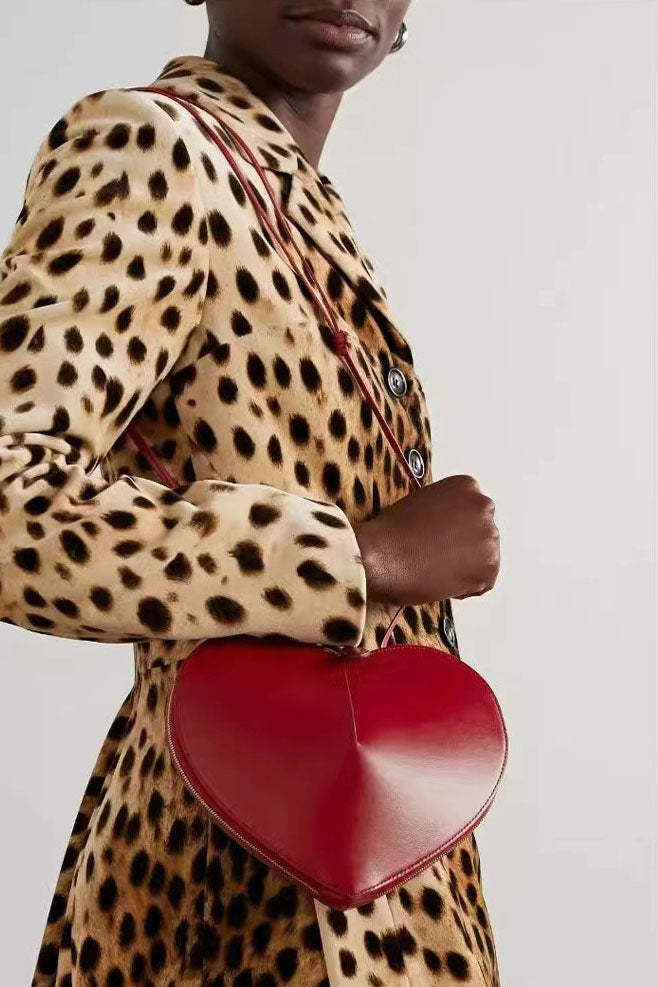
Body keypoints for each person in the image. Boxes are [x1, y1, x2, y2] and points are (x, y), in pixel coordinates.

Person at [1, 2, 501, 984]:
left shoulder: (286, 194)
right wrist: (357, 559)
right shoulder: (150, 148)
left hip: (352, 854)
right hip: (232, 887)